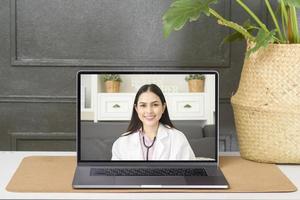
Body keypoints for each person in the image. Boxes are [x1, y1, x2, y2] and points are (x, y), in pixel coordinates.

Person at [111, 84, 195, 160]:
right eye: (143, 105)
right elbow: (115, 176)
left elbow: (191, 174)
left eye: (155, 105)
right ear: (136, 109)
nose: (149, 111)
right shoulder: (122, 142)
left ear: (163, 107)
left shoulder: (178, 138)